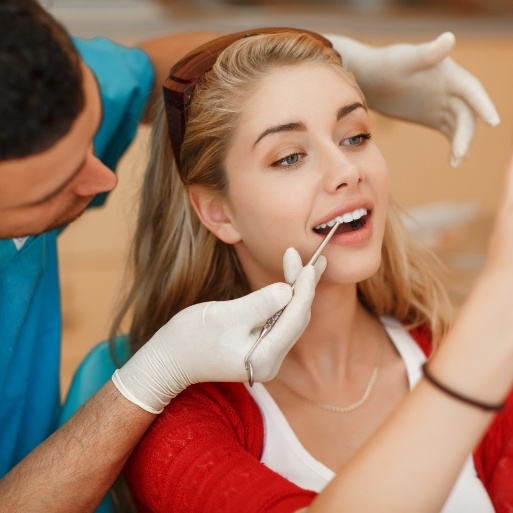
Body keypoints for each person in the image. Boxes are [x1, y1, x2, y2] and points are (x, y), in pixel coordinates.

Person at [0, 0, 502, 510]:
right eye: (289, 156)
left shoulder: (37, 78)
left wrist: (322, 54)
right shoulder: (189, 420)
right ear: (218, 213)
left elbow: (142, 72)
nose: (348, 171)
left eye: (356, 136)